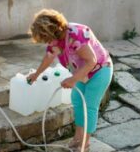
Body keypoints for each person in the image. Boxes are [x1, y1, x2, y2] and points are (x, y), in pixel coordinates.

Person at [27, 9, 113, 152]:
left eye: (47, 39)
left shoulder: (75, 35)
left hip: (100, 71)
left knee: (89, 106)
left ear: (53, 31)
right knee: (78, 102)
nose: (47, 43)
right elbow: (49, 57)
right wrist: (36, 74)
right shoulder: (55, 40)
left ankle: (84, 144)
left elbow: (92, 61)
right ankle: (78, 138)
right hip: (82, 72)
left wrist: (73, 79)